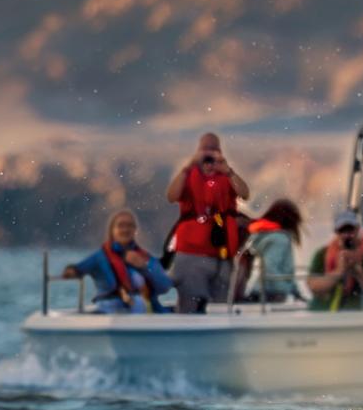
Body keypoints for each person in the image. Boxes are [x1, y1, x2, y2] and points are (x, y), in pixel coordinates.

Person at [165, 132, 250, 313]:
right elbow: (171, 196)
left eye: (214, 149)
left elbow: (245, 194)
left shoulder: (226, 176)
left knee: (221, 308)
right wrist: (188, 166)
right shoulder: (188, 176)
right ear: (198, 151)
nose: (210, 154)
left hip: (222, 255)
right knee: (189, 307)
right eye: (206, 149)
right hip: (190, 254)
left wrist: (228, 171)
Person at [63, 209, 173, 313]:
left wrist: (145, 266)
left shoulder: (145, 257)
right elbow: (79, 269)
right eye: (121, 226)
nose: (125, 230)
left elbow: (165, 286)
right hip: (110, 309)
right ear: (112, 230)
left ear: (135, 230)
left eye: (130, 226)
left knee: (141, 304)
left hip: (144, 309)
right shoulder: (100, 257)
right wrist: (71, 271)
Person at [307, 211, 363, 311]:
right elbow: (314, 287)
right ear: (336, 232)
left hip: (361, 314)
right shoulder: (322, 254)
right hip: (326, 314)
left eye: (350, 230)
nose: (346, 235)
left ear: (357, 229)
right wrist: (339, 272)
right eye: (342, 231)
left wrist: (358, 273)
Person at [244, 199, 304, 302]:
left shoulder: (269, 236)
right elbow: (270, 268)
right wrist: (289, 290)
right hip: (270, 293)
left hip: (262, 291)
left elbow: (284, 271)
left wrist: (295, 290)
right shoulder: (279, 239)